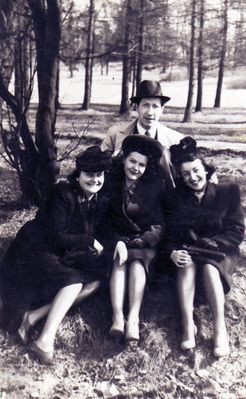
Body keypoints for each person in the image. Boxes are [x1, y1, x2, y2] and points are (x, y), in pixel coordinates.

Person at [0, 146, 111, 364]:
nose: (95, 180)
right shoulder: (62, 193)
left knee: (96, 280)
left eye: (99, 175)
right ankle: (44, 341)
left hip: (60, 252)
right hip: (34, 248)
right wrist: (88, 241)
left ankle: (32, 317)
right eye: (89, 175)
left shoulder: (97, 200)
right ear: (78, 175)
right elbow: (54, 235)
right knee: (74, 282)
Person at [167, 137, 245, 358]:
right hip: (190, 250)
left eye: (196, 170)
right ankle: (187, 324)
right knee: (185, 264)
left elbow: (236, 231)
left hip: (221, 251)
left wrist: (215, 242)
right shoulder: (175, 198)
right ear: (180, 178)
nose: (193, 177)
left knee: (210, 268)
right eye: (186, 174)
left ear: (205, 169)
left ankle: (220, 329)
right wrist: (172, 252)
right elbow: (169, 233)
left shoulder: (228, 192)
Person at [106, 135, 165, 341]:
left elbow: (160, 223)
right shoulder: (110, 183)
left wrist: (147, 238)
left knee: (138, 263)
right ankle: (117, 317)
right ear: (123, 160)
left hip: (143, 242)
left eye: (142, 165)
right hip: (117, 239)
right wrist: (117, 241)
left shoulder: (154, 187)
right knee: (119, 260)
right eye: (132, 161)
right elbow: (102, 220)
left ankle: (133, 319)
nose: (136, 168)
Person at [101, 80, 184, 187]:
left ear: (162, 109)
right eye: (145, 105)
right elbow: (100, 166)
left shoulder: (175, 139)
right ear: (137, 107)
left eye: (155, 106)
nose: (150, 112)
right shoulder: (115, 134)